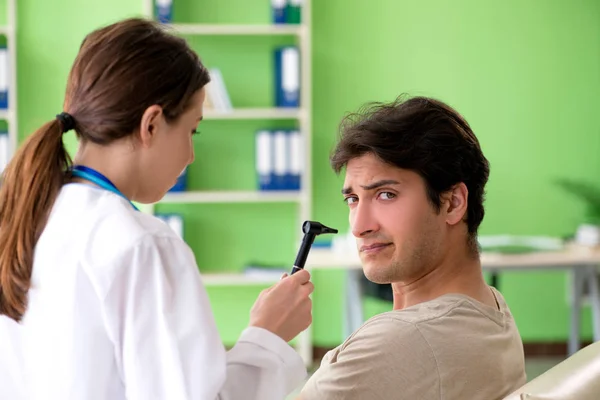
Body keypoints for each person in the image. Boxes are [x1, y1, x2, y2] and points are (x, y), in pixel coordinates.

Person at [0, 18, 314, 400]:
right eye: (191, 130)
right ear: (151, 124)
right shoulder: (142, 244)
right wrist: (268, 335)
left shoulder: (25, 218)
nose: (192, 154)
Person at [298, 95, 527, 399]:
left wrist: (263, 338)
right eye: (352, 199)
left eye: (386, 195)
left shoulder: (398, 342)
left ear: (453, 203)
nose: (358, 226)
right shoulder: (491, 307)